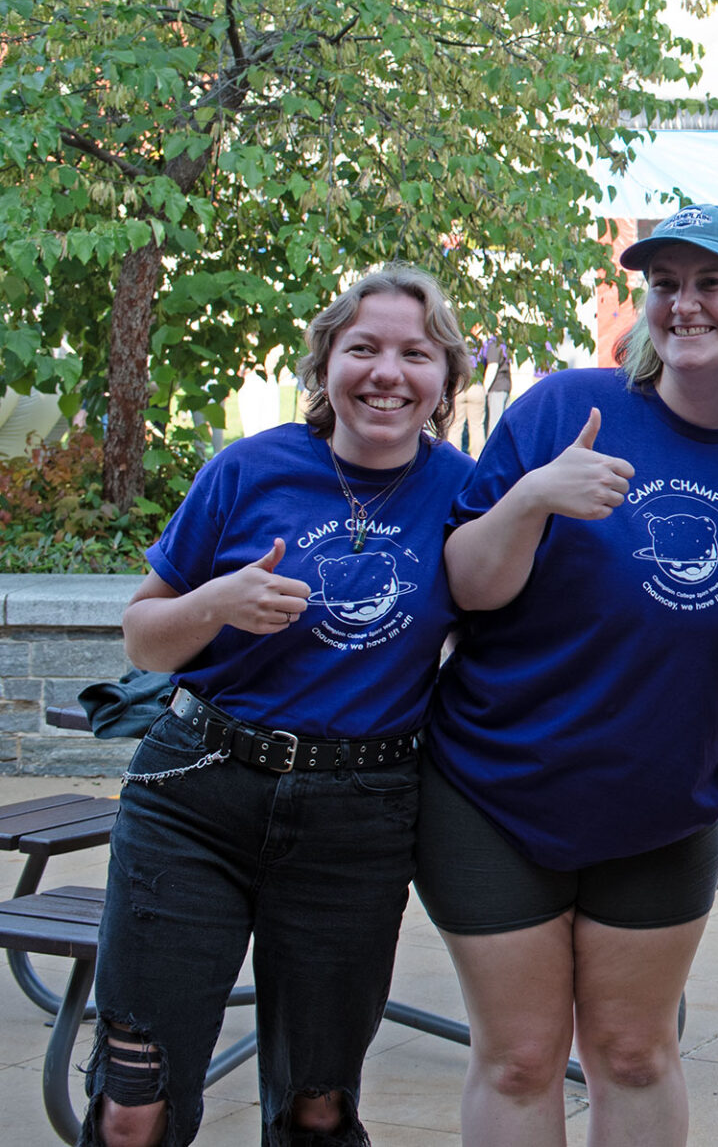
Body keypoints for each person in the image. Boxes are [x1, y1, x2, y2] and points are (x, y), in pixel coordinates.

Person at [422, 204, 718, 1145]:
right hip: (496, 792)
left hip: (664, 808)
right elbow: (468, 587)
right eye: (664, 284)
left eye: (711, 283)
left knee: (635, 1053)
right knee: (518, 1057)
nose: (684, 304)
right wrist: (534, 497)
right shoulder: (564, 409)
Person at [101, 266, 476, 1147]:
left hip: (360, 817)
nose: (387, 371)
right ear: (324, 367)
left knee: (320, 1105)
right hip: (196, 796)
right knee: (133, 1101)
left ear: (446, 380)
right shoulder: (249, 468)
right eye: (363, 348)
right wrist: (213, 605)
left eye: (414, 353)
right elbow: (142, 638)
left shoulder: (465, 492)